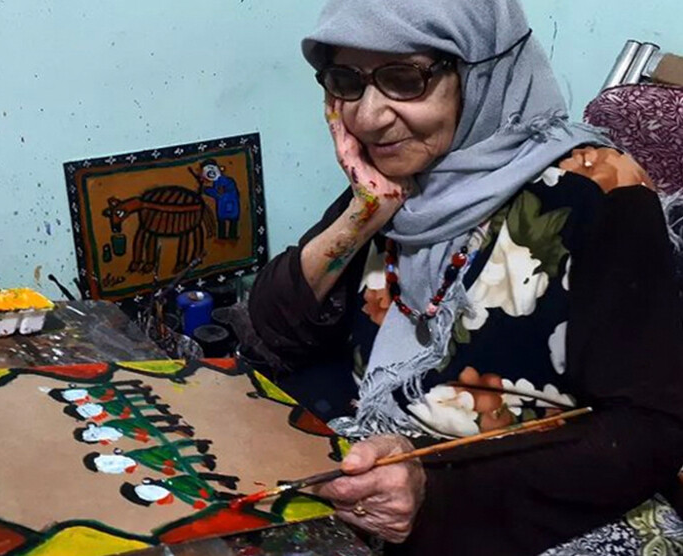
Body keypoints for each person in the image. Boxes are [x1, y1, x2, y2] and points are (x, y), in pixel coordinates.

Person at [246, 0, 683, 554]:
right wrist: (361, 214)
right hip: (379, 476)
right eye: (346, 81)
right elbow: (270, 329)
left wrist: (435, 491)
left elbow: (651, 427)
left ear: (483, 71)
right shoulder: (403, 177)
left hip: (522, 504)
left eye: (404, 79)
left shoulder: (598, 197)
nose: (367, 118)